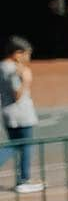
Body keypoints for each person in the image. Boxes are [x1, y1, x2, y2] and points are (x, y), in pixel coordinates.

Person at [0, 37, 43, 193]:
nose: (28, 59)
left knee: (14, 145)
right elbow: (17, 94)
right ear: (17, 54)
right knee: (24, 146)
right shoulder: (13, 69)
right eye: (26, 55)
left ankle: (24, 179)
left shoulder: (2, 67)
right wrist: (26, 80)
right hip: (20, 114)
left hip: (8, 112)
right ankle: (24, 180)